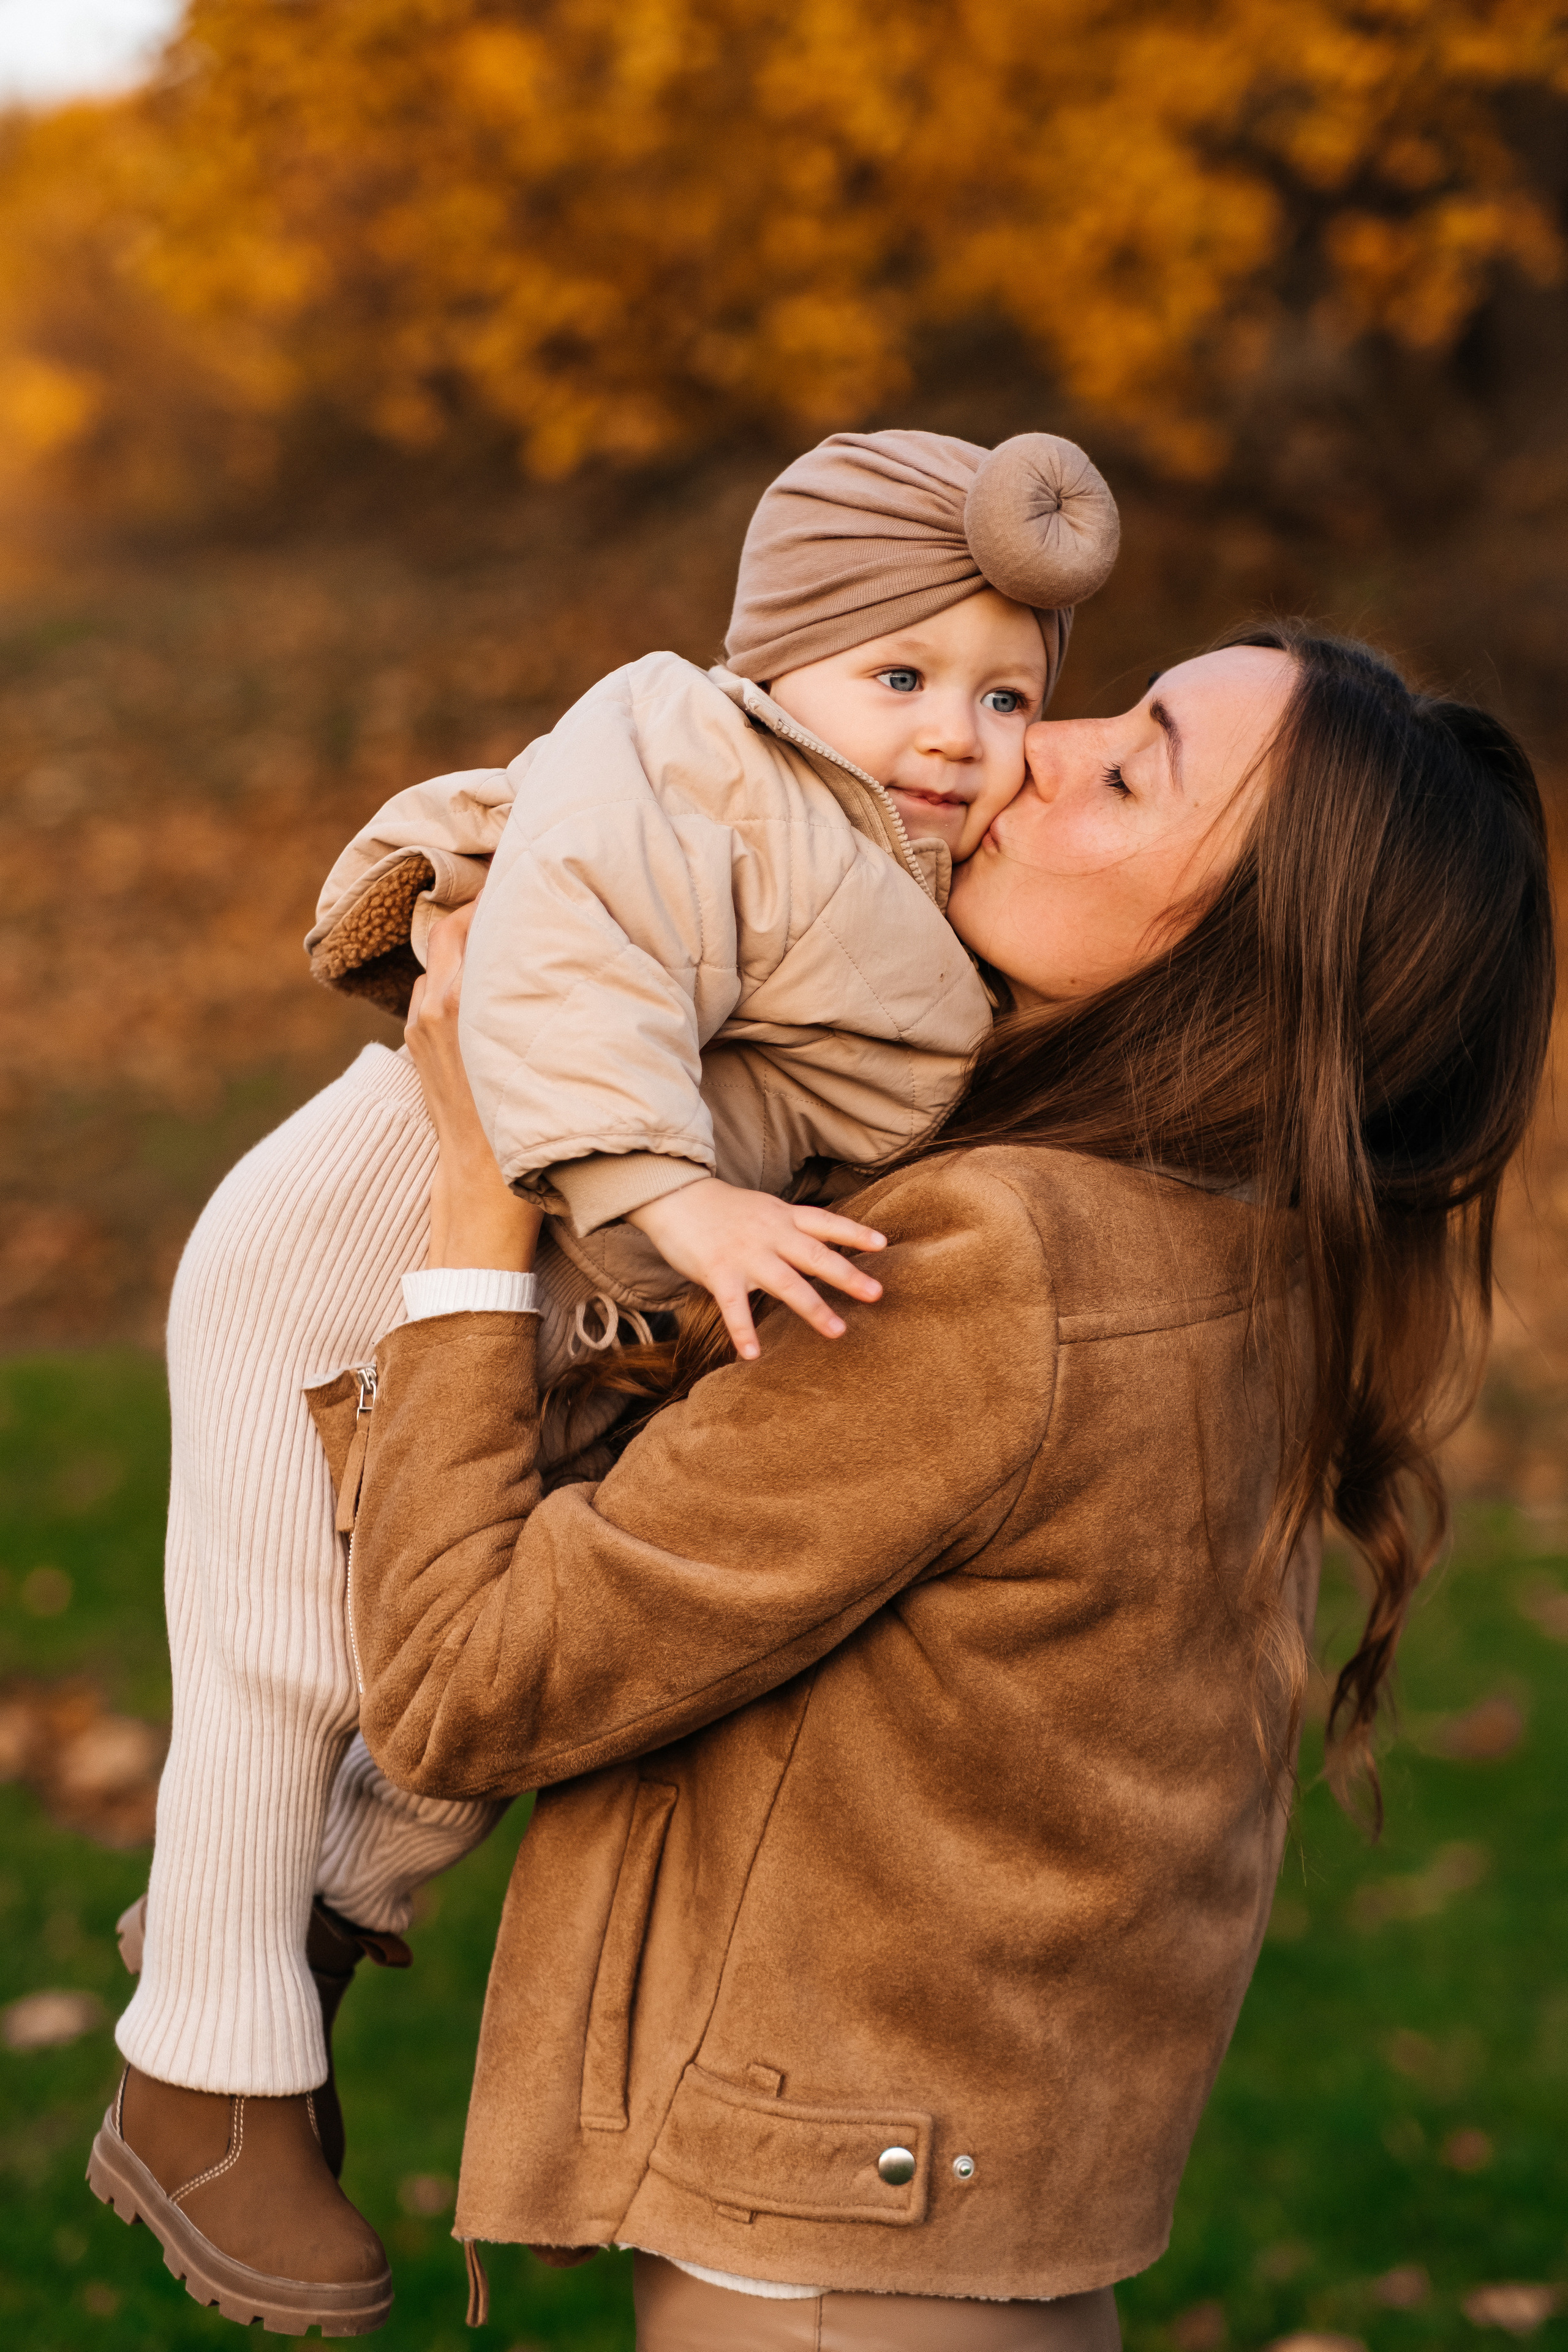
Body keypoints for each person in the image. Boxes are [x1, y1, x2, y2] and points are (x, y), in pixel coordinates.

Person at [318, 627, 1545, 2347]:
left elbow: (463, 1684)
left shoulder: (997, 1262)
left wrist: (479, 1202)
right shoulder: (1232, 1249)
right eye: (1113, 706)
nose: (1041, 747)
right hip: (971, 2215)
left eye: (1131, 773)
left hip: (832, 2262)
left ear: (1236, 960)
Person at [92, 428, 1119, 2335]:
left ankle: (296, 1940)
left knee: (483, 1698)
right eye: (904, 673)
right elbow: (563, 972)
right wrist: (676, 1194)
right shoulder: (684, 749)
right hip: (357, 1246)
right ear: (777, 657)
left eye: (1005, 695)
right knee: (284, 1666)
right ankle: (199, 2092)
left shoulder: (899, 854)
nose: (958, 733)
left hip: (559, 1313)